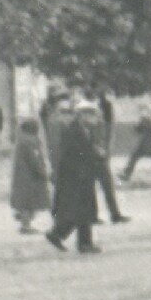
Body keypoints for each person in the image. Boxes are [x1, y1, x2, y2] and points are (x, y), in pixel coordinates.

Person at [47, 100, 105, 254]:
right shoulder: (73, 131)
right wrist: (94, 154)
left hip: (83, 176)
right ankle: (80, 242)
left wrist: (94, 153)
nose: (95, 119)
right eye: (92, 115)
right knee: (80, 210)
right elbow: (71, 154)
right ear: (82, 115)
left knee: (81, 210)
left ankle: (59, 235)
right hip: (75, 177)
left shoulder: (84, 129)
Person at [10, 115, 52, 233]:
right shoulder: (31, 142)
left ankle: (24, 221)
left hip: (22, 177)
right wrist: (44, 173)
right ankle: (26, 225)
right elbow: (35, 160)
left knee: (26, 202)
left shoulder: (21, 140)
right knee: (30, 203)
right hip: (31, 178)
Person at [122, 109, 151, 186]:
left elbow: (139, 129)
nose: (141, 114)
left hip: (148, 145)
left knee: (135, 157)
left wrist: (136, 126)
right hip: (150, 146)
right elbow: (140, 129)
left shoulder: (146, 121)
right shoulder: (148, 121)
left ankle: (126, 175)